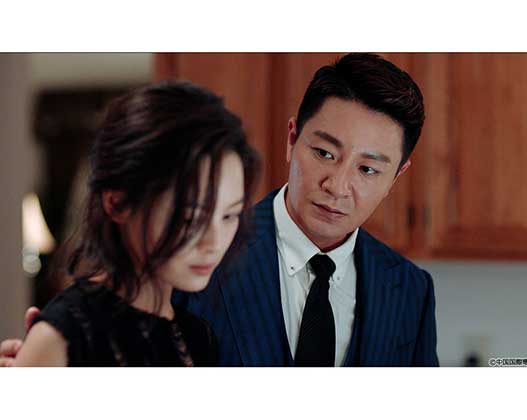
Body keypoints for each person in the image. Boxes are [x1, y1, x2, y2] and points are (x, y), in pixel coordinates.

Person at [1, 53, 438, 367]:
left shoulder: (411, 291)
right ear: (292, 139)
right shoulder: (187, 261)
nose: (337, 186)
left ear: (396, 176)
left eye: (367, 169)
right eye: (324, 153)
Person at [3, 81, 259, 366]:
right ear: (117, 203)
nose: (213, 243)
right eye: (190, 219)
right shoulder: (62, 337)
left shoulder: (198, 336)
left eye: (229, 216)